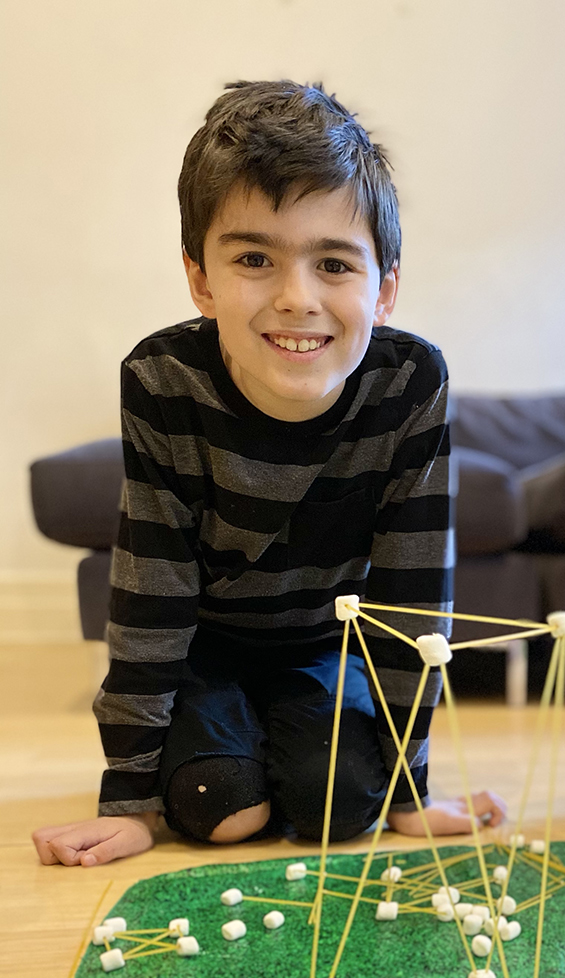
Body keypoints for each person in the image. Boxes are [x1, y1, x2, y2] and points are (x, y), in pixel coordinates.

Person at [33, 80, 503, 870]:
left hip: (323, 648)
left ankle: (289, 745)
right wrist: (130, 800)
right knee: (221, 810)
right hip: (205, 651)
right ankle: (227, 743)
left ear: (384, 290)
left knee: (343, 809)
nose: (296, 299)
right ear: (201, 280)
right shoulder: (161, 380)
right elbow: (150, 590)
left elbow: (413, 593)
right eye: (254, 259)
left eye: (333, 264)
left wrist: (410, 789)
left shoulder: (411, 382)